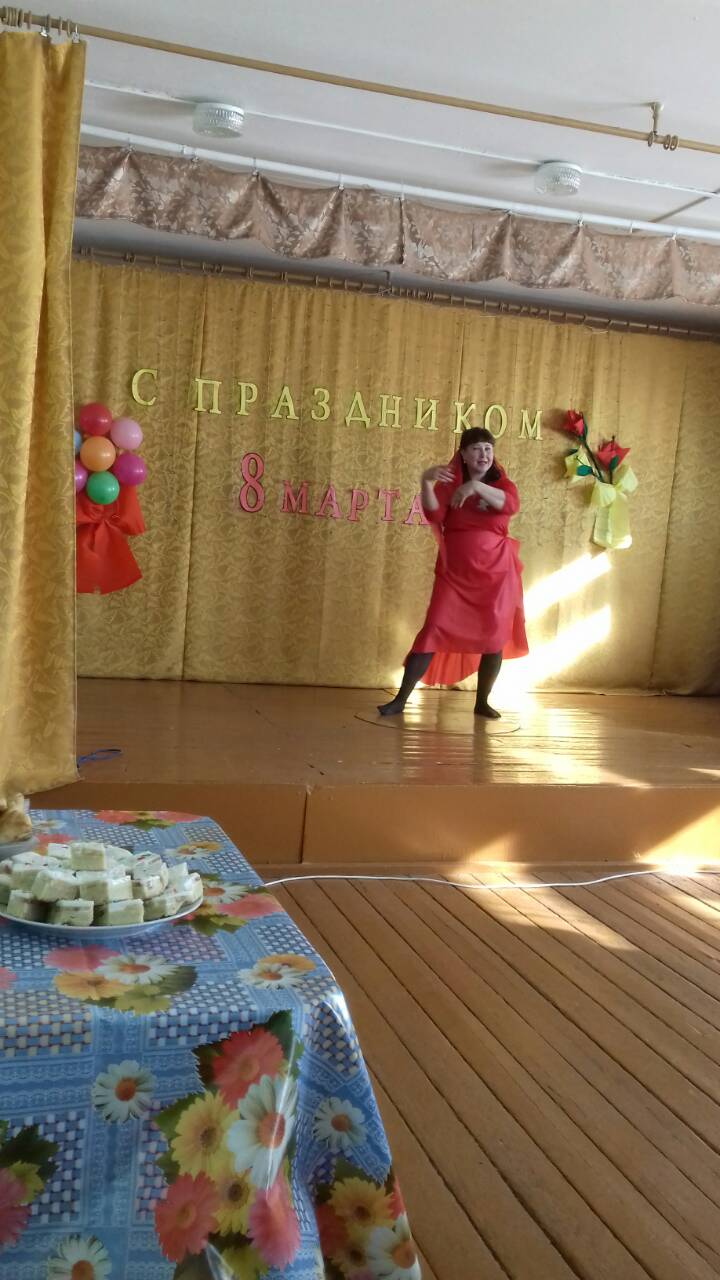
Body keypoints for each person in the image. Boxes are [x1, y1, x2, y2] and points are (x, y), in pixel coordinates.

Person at [378, 426, 528, 719]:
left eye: (488, 449)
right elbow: (434, 514)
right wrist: (425, 480)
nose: (483, 454)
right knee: (433, 629)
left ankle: (482, 702)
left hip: (497, 575)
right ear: (463, 454)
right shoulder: (450, 483)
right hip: (456, 574)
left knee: (494, 636)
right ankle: (400, 700)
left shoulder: (503, 485)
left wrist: (475, 488)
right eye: (476, 449)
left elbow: (510, 505)